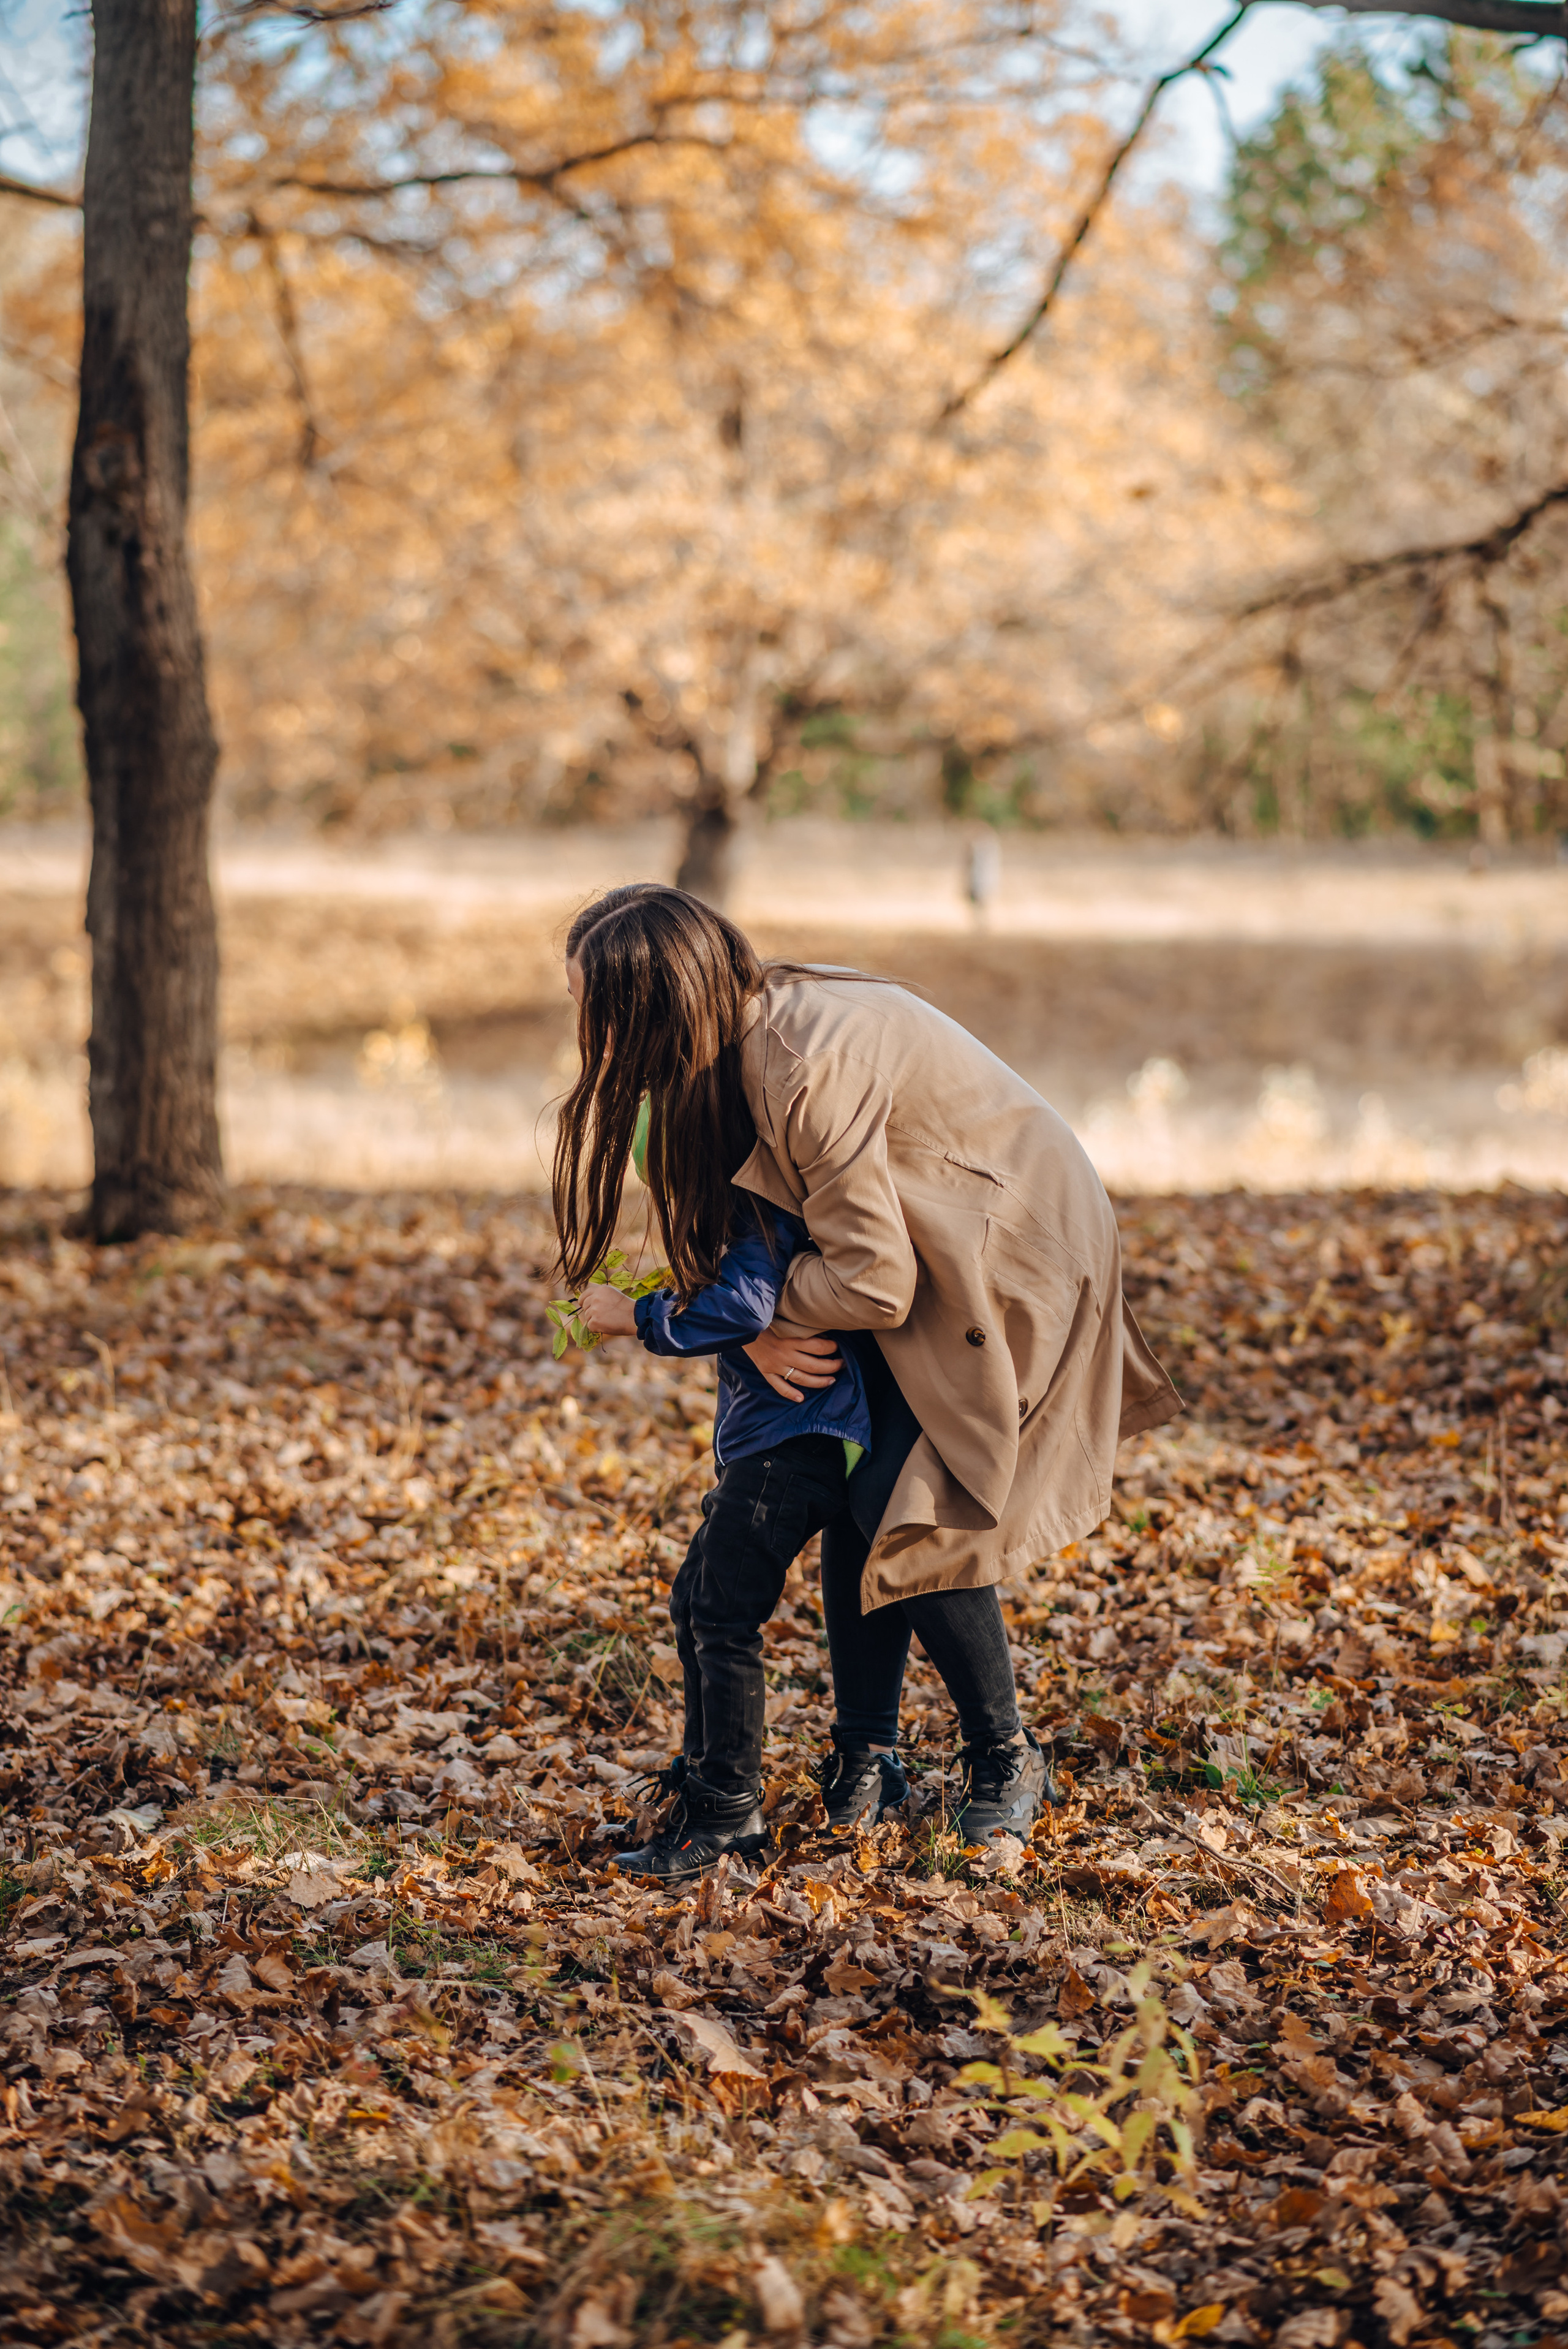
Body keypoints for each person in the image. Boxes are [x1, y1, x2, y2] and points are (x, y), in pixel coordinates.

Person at [554, 884, 1182, 1874]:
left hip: (1011, 1239)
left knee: (899, 1495)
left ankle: (1005, 1756)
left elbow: (875, 1286)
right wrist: (748, 1330)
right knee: (861, 1492)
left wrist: (756, 1322)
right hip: (925, 1243)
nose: (586, 1032)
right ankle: (868, 1756)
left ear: (654, 1007)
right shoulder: (742, 1041)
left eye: (597, 1008)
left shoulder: (799, 1069)